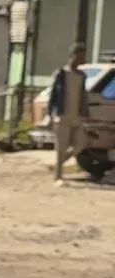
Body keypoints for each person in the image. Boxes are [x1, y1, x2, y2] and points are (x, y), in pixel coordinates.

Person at [48, 42, 89, 183]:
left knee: (81, 142)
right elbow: (53, 95)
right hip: (62, 115)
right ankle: (58, 176)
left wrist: (85, 113)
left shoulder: (82, 76)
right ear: (73, 55)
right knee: (61, 146)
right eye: (81, 55)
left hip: (77, 116)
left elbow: (84, 95)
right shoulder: (61, 74)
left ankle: (59, 163)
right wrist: (50, 115)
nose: (83, 58)